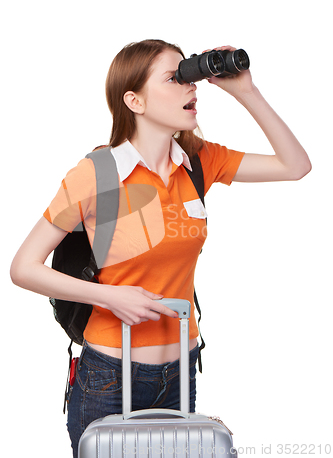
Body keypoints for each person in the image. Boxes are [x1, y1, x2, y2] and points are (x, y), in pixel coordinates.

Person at [10, 39, 311, 457]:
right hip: (109, 374)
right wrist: (109, 296)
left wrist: (246, 91)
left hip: (182, 367)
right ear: (133, 100)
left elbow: (296, 166)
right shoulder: (95, 174)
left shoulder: (199, 161)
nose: (192, 86)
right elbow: (23, 267)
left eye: (187, 75)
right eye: (174, 79)